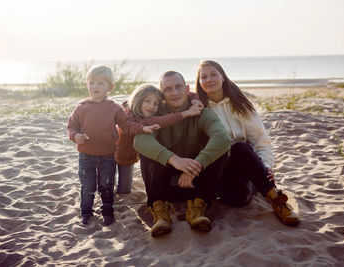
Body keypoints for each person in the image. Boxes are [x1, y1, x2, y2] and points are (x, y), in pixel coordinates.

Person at [195, 60, 299, 226]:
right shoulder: (198, 109)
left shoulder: (240, 105)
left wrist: (265, 166)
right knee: (238, 199)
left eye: (213, 74)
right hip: (215, 172)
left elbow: (260, 140)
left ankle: (276, 199)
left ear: (223, 77)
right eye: (204, 76)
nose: (208, 79)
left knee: (240, 147)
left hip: (240, 163)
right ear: (199, 83)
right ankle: (256, 183)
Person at [133, 71, 231, 237]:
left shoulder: (201, 112)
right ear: (162, 94)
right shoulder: (157, 116)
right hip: (166, 185)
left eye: (178, 87)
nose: (175, 92)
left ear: (186, 88)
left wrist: (195, 166)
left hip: (196, 182)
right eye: (168, 89)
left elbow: (223, 138)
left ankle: (198, 209)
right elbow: (139, 142)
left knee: (216, 150)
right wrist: (174, 159)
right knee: (148, 153)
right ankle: (160, 212)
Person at [67, 65, 159, 226]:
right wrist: (76, 136)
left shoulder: (114, 108)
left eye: (101, 83)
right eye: (92, 83)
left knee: (106, 185)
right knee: (88, 186)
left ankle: (108, 212)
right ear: (86, 85)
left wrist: (143, 128)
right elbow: (71, 127)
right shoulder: (81, 107)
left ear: (110, 87)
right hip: (86, 156)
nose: (96, 86)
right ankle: (86, 212)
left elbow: (127, 125)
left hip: (108, 156)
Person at [114, 83, 203, 194]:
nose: (152, 106)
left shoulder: (147, 115)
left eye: (156, 104)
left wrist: (194, 99)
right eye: (147, 101)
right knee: (108, 185)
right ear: (138, 99)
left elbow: (183, 94)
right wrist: (186, 113)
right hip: (112, 155)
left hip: (129, 159)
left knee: (124, 190)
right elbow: (159, 121)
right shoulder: (127, 116)